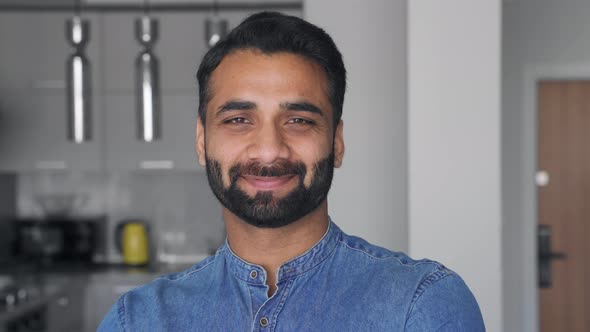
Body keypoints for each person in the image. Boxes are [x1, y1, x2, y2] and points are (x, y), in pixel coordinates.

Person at [98, 11, 484, 331]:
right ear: (202, 140)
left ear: (336, 142)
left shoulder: (421, 306)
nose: (269, 149)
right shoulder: (136, 321)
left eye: (299, 120)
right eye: (238, 120)